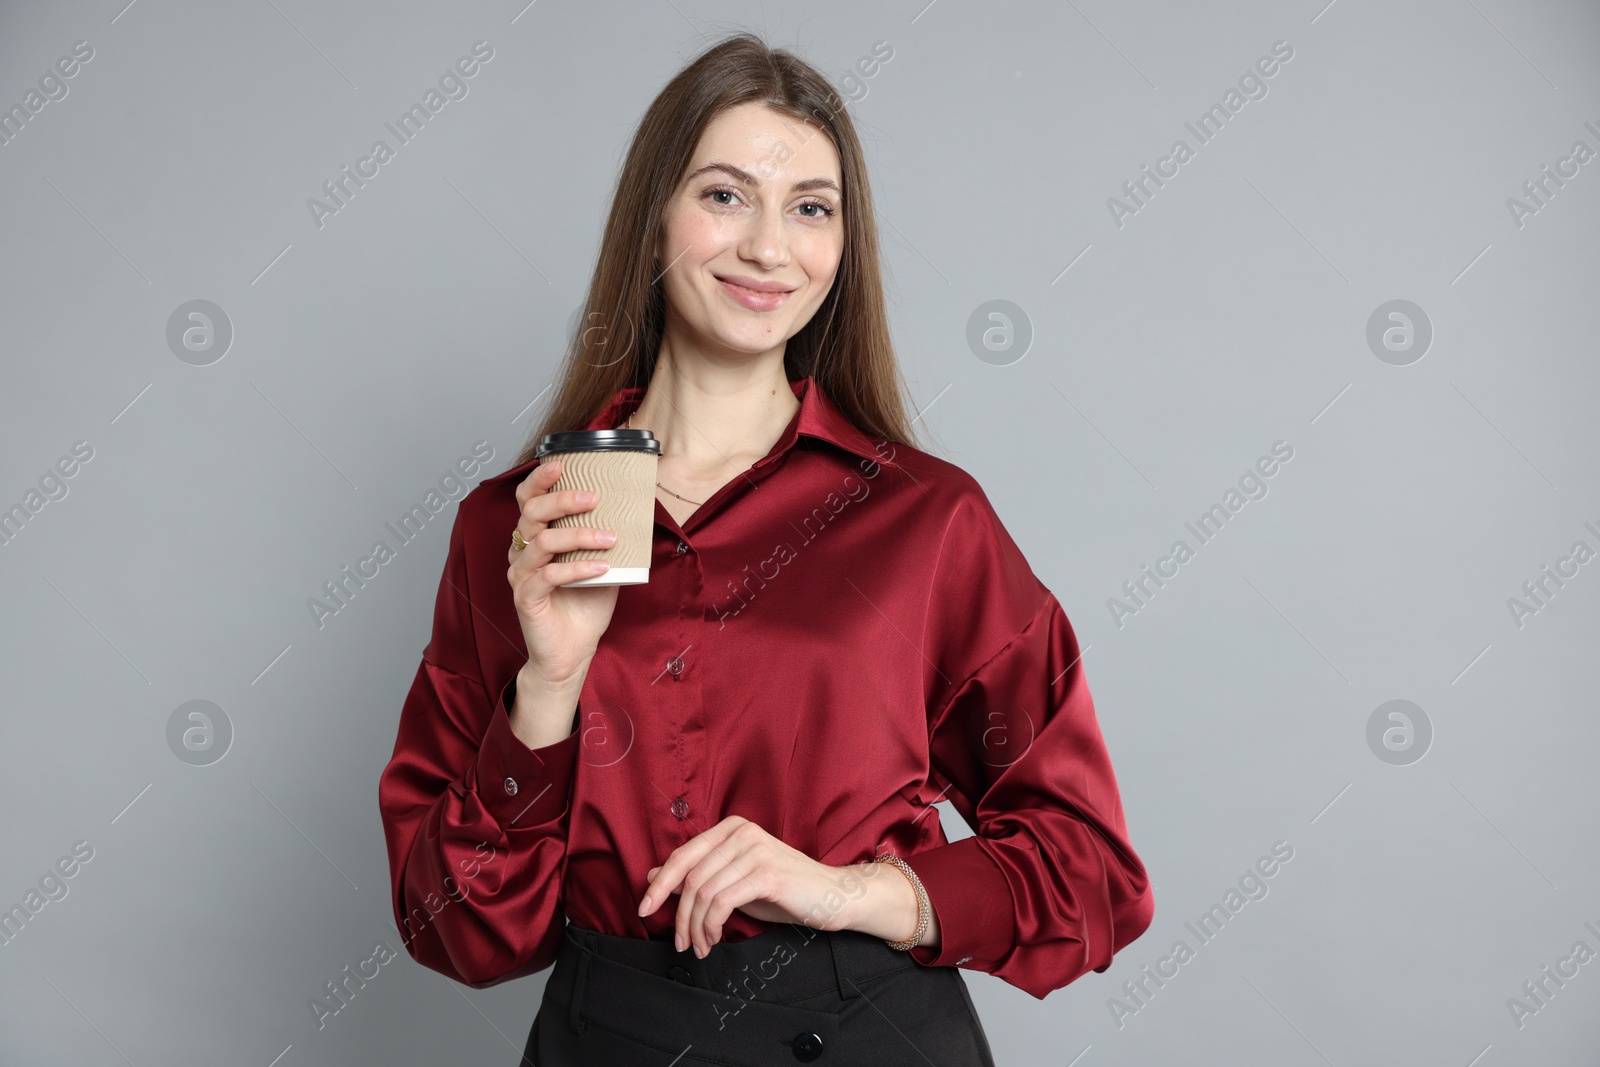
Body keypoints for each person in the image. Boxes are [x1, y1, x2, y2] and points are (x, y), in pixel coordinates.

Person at [378, 31, 1154, 1067]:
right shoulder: (518, 527)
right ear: (652, 216)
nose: (768, 248)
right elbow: (456, 929)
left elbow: (1092, 872)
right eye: (724, 195)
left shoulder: (930, 521)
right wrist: (548, 687)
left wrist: (844, 890)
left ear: (842, 247)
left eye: (810, 208)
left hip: (867, 1031)